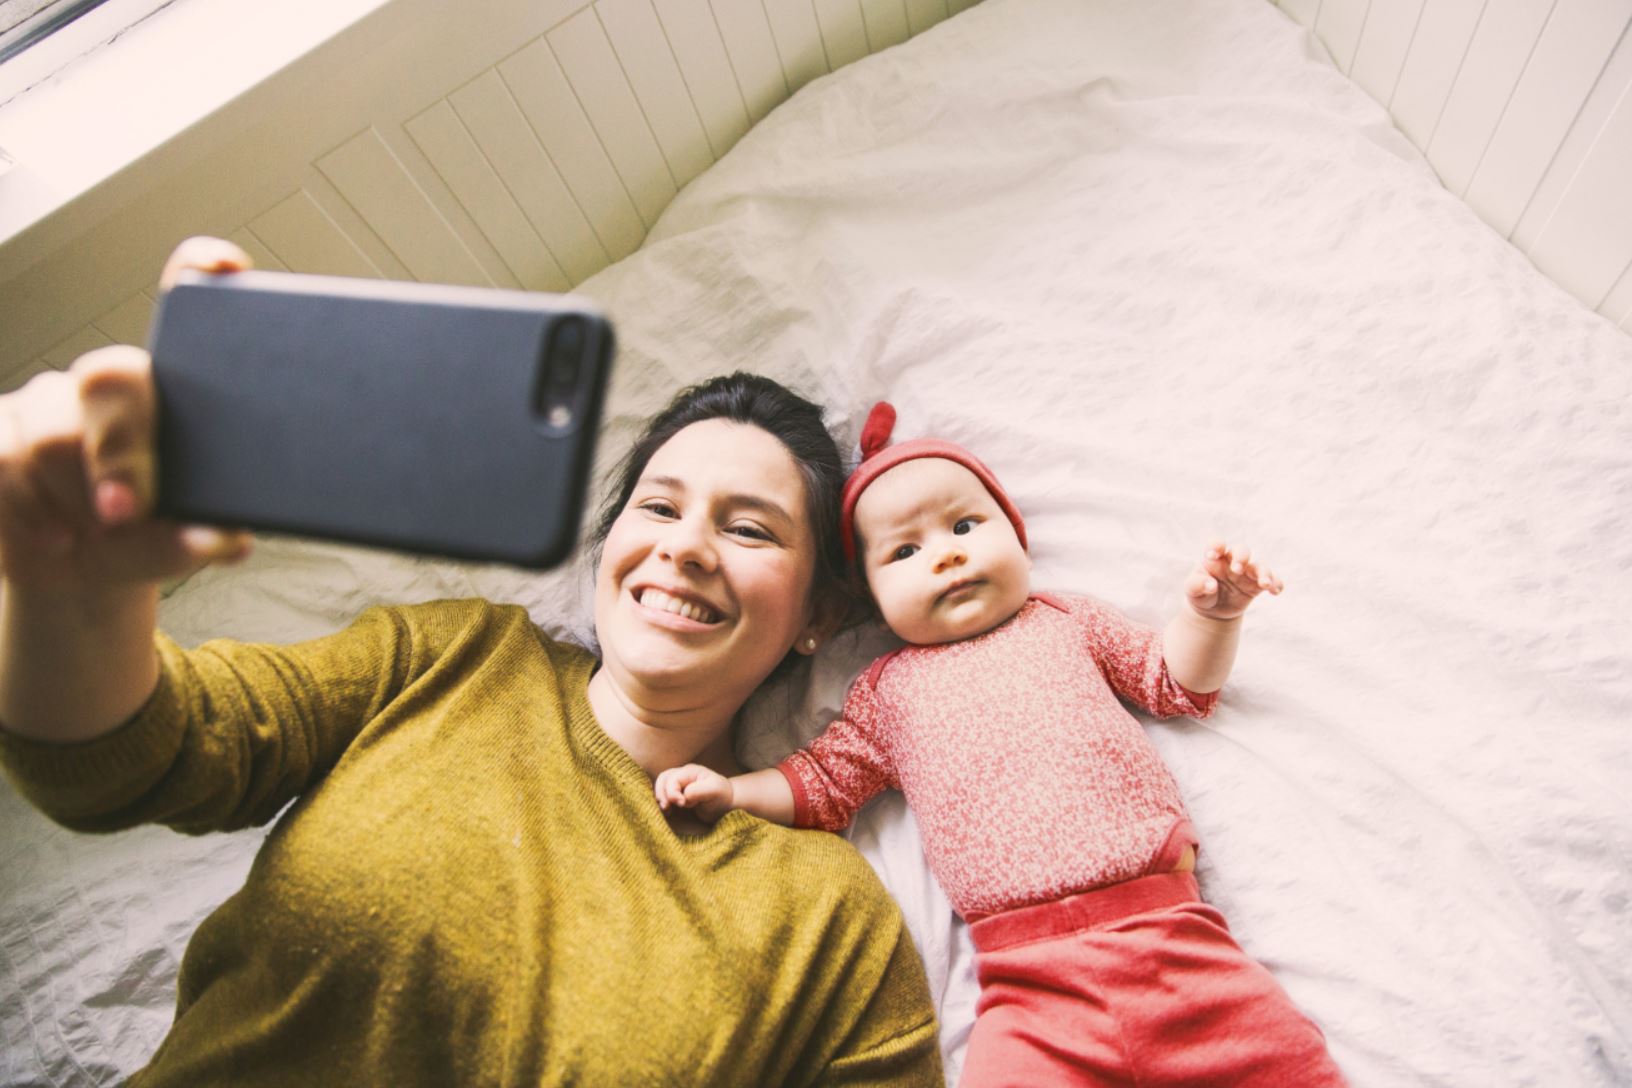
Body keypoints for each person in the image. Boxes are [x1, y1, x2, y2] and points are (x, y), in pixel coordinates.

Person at [0, 239, 943, 1086]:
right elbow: (142, 758)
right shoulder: (453, 656)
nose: (686, 548)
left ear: (819, 612)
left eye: (746, 529)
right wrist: (70, 590)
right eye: (657, 508)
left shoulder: (828, 926)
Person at [655, 402, 1348, 1087]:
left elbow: (1172, 681)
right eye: (905, 551)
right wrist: (732, 791)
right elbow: (823, 784)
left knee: (1286, 1062)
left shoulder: (1065, 623)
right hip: (1029, 987)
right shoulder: (887, 693)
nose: (947, 553)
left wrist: (1211, 617)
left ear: (1017, 537)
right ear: (870, 595)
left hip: (1172, 941)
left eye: (964, 524)